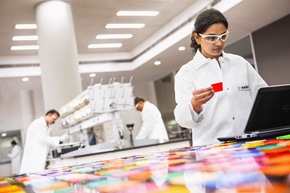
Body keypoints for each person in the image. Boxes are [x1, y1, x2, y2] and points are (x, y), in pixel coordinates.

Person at [174, 9, 268, 146]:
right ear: (197, 38)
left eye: (223, 36)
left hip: (250, 145)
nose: (219, 43)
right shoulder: (187, 73)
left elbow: (264, 98)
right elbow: (182, 119)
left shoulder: (239, 63)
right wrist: (194, 105)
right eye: (211, 38)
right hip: (212, 150)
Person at [19, 109, 69, 174]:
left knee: (36, 176)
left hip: (39, 156)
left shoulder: (47, 126)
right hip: (34, 156)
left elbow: (47, 141)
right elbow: (43, 139)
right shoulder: (37, 123)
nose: (54, 121)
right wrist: (59, 139)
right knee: (32, 175)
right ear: (49, 115)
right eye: (54, 119)